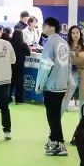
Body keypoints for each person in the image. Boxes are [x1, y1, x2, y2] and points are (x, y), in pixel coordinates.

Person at [36, 17, 72, 157]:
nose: (43, 27)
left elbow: (45, 66)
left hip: (51, 85)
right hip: (61, 84)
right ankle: (53, 140)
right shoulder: (64, 42)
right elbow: (68, 65)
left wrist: (40, 84)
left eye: (44, 25)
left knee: (53, 117)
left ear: (51, 27)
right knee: (55, 115)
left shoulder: (50, 43)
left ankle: (59, 144)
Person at [65, 24, 84, 111]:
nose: (75, 35)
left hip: (83, 74)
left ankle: (83, 119)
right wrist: (78, 57)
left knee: (83, 100)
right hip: (70, 73)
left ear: (80, 34)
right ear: (70, 34)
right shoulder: (66, 46)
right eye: (73, 33)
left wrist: (75, 56)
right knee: (66, 97)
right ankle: (57, 118)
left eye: (77, 32)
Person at [10, 29, 30, 105]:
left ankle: (8, 98)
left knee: (10, 82)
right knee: (19, 83)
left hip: (11, 65)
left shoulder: (10, 43)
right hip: (20, 65)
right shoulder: (23, 44)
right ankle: (19, 100)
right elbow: (28, 53)